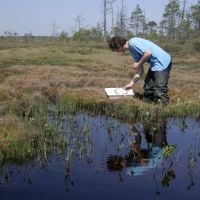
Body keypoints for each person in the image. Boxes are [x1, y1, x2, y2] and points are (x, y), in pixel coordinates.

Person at [108, 36, 172, 105]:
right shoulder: (132, 51)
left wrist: (138, 63)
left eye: (116, 50)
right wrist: (131, 84)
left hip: (162, 62)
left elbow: (148, 53)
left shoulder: (133, 42)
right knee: (148, 88)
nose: (118, 52)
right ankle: (146, 105)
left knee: (159, 89)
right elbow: (140, 70)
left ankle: (162, 108)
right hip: (154, 65)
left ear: (119, 45)